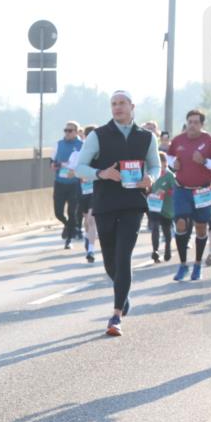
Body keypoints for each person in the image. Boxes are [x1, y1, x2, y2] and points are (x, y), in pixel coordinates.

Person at [76, 90, 160, 336]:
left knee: (124, 257)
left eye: (122, 103)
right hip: (105, 203)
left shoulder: (146, 137)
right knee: (110, 261)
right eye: (114, 104)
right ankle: (123, 296)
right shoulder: (98, 135)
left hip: (133, 202)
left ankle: (115, 316)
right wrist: (101, 173)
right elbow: (80, 166)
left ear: (132, 106)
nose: (117, 107)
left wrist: (151, 177)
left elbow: (154, 164)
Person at [167, 110, 211, 281]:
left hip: (202, 191)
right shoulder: (178, 139)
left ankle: (198, 264)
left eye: (195, 122)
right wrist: (174, 164)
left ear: (202, 125)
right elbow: (169, 156)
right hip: (182, 189)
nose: (191, 125)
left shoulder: (209, 141)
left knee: (201, 227)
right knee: (180, 224)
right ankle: (183, 265)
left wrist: (205, 162)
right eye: (189, 122)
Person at [51, 122, 83, 248]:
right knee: (58, 213)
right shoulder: (59, 144)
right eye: (66, 130)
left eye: (70, 130)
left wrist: (76, 171)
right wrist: (57, 165)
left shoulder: (81, 145)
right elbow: (52, 162)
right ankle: (68, 225)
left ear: (76, 131)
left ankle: (68, 240)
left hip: (74, 183)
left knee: (72, 212)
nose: (67, 133)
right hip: (60, 182)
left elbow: (86, 162)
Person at [148, 153, 176, 263]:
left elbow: (175, 190)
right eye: (161, 167)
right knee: (154, 227)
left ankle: (167, 249)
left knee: (166, 230)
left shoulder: (170, 176)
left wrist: (166, 192)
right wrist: (148, 192)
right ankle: (155, 251)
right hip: (154, 206)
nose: (163, 169)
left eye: (165, 166)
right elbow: (148, 188)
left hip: (167, 207)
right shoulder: (152, 174)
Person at [78, 125, 98, 263]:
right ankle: (87, 237)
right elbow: (72, 171)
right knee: (86, 221)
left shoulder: (101, 152)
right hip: (82, 191)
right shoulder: (78, 153)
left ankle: (91, 250)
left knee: (91, 220)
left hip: (95, 191)